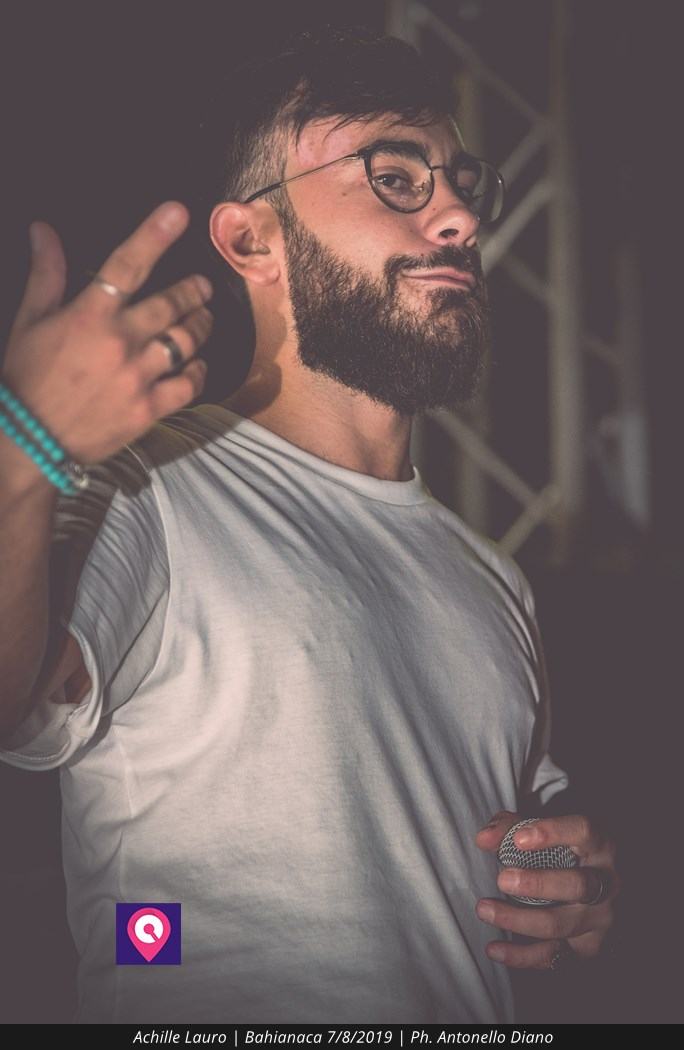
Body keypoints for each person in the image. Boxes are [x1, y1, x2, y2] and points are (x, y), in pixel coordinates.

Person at [0, 27, 618, 1024]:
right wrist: (22, 453)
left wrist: (570, 882)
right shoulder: (149, 485)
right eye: (395, 177)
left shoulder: (494, 577)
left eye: (461, 184)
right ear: (254, 240)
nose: (460, 215)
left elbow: (514, 841)